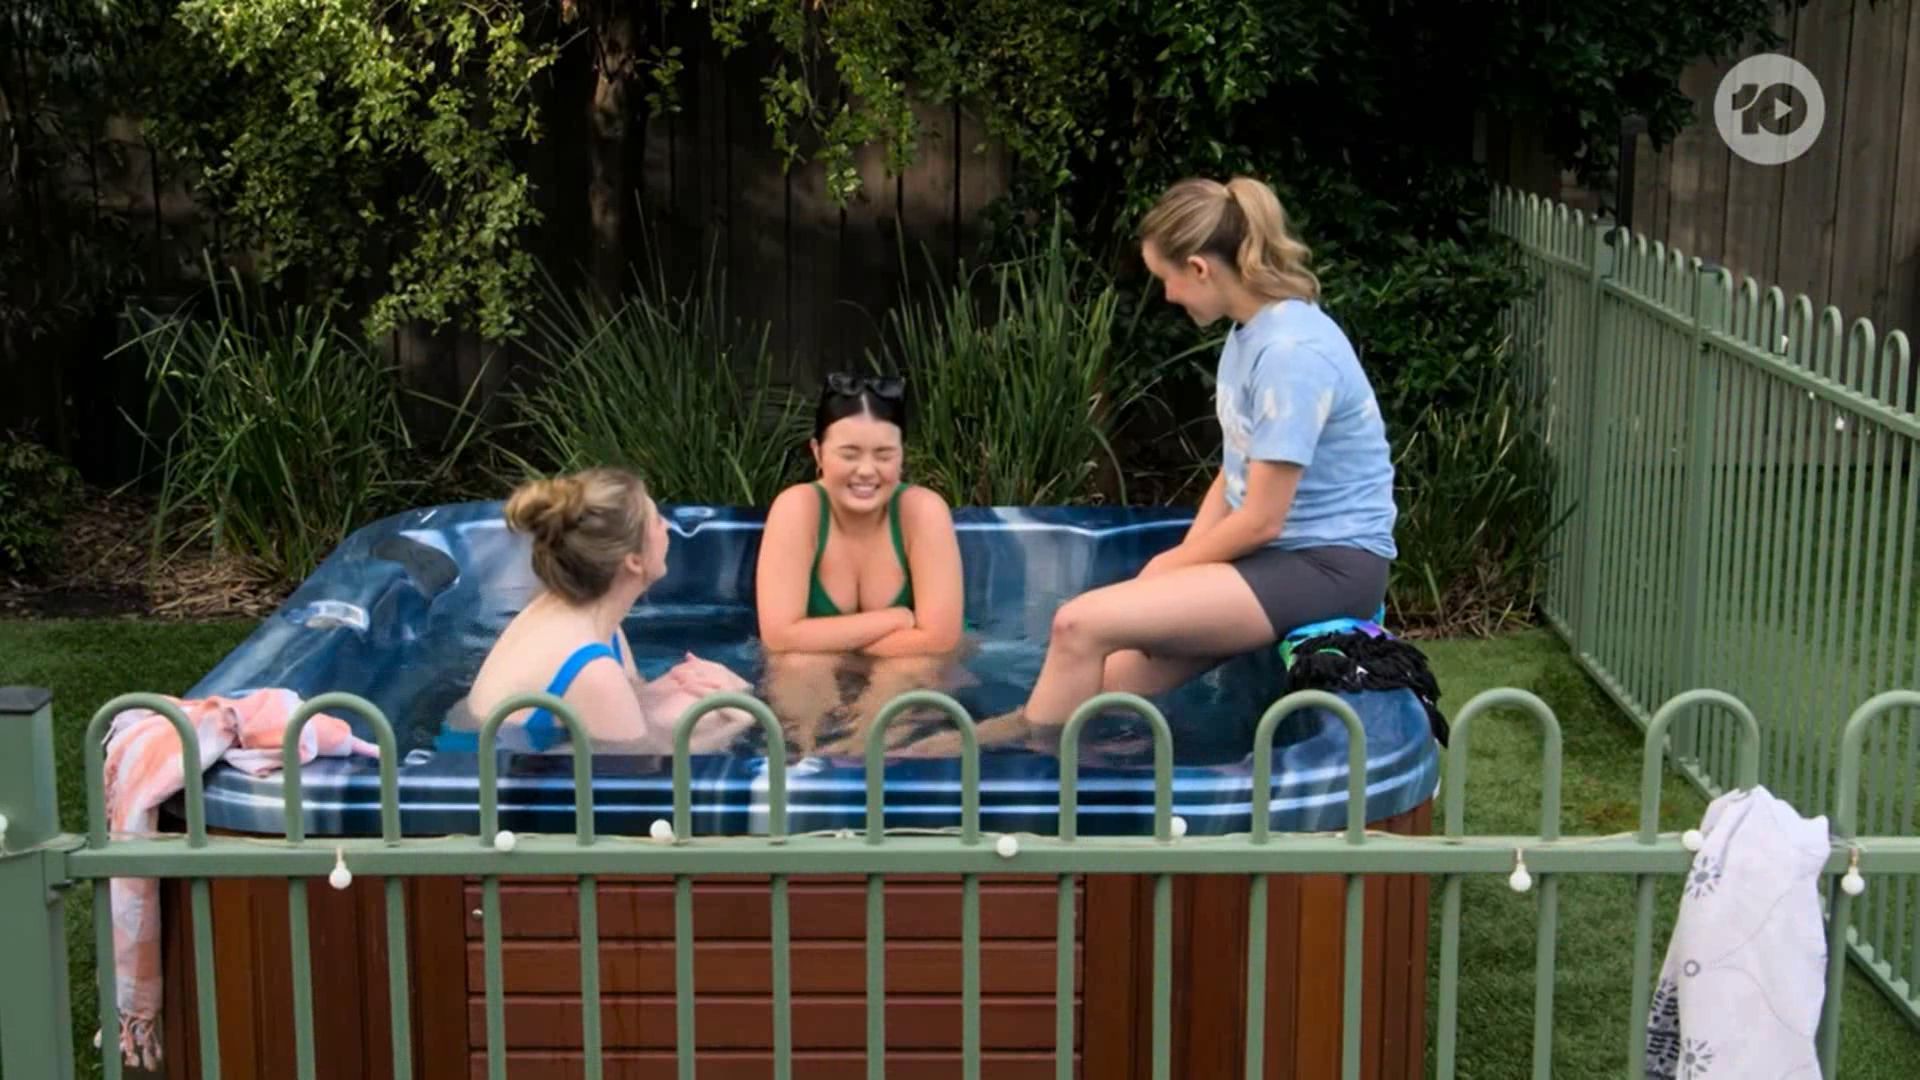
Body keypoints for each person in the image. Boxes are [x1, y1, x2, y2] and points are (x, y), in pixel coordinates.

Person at [1012, 175, 1398, 728]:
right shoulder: (1250, 334)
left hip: (1327, 567)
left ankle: (1034, 776)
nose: (1167, 296)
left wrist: (1168, 566)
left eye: (1165, 279)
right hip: (1278, 559)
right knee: (1107, 682)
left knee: (1077, 625)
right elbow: (1234, 469)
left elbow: (1262, 520)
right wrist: (1186, 561)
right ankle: (998, 742)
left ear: (1198, 268)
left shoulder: (1291, 353)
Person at [454, 467, 753, 753]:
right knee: (713, 715)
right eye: (656, 521)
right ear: (634, 561)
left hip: (495, 754)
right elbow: (641, 773)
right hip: (481, 778)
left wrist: (695, 683)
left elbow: (628, 704)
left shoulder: (587, 618)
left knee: (697, 702)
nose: (667, 527)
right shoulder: (590, 666)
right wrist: (737, 724)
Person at [755, 372, 965, 657]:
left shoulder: (923, 512)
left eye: (884, 455)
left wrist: (825, 642)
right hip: (818, 668)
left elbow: (939, 640)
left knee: (910, 664)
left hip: (908, 665)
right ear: (818, 453)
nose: (866, 470)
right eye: (849, 455)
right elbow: (779, 637)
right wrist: (895, 618)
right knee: (799, 663)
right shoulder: (797, 509)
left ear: (902, 455)